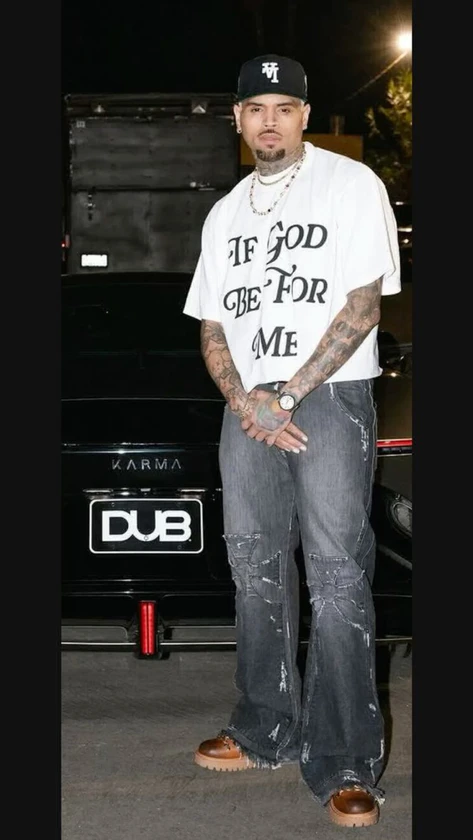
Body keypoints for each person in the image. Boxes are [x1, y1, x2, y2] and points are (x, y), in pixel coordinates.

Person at [183, 53, 401, 828]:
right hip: (248, 408)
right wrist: (245, 400)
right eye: (255, 109)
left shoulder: (350, 184)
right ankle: (263, 728)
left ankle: (344, 760)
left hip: (328, 400)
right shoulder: (224, 213)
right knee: (253, 567)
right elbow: (213, 323)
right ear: (237, 120)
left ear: (304, 116)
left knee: (337, 575)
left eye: (283, 107)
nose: (268, 121)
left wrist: (286, 395)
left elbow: (362, 305)